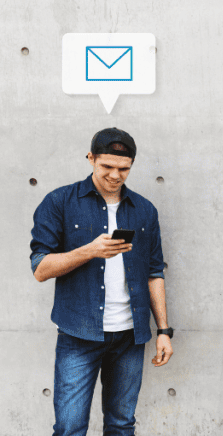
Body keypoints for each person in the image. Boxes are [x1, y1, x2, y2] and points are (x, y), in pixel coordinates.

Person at [29, 127, 173, 436]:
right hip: (78, 333)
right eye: (106, 166)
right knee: (69, 428)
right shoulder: (60, 202)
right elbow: (40, 268)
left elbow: (154, 272)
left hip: (130, 338)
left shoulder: (144, 210)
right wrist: (89, 251)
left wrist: (163, 330)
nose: (115, 175)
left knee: (121, 426)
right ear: (91, 158)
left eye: (124, 169)